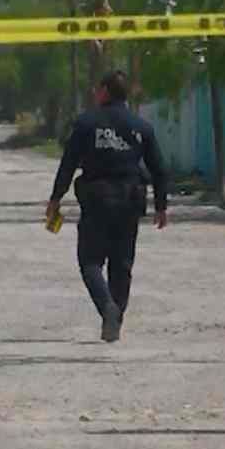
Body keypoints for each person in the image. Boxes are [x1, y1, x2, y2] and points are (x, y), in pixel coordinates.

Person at [47, 70, 170, 342]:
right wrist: (161, 205)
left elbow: (67, 165)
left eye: (97, 89)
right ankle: (116, 316)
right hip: (130, 202)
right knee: (122, 264)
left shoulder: (85, 124)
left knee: (90, 262)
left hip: (97, 201)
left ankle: (108, 309)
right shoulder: (141, 126)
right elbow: (159, 169)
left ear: (104, 91)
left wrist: (55, 199)